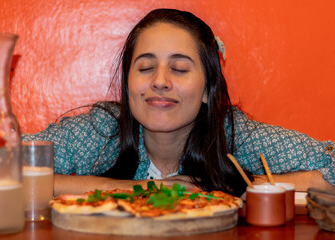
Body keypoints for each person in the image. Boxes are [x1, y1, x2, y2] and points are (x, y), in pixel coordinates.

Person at [22, 8, 335, 197]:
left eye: (180, 69)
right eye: (145, 68)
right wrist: (136, 190)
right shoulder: (100, 130)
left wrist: (229, 185)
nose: (160, 80)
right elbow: (2, 167)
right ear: (127, 84)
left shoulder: (233, 133)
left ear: (206, 89)